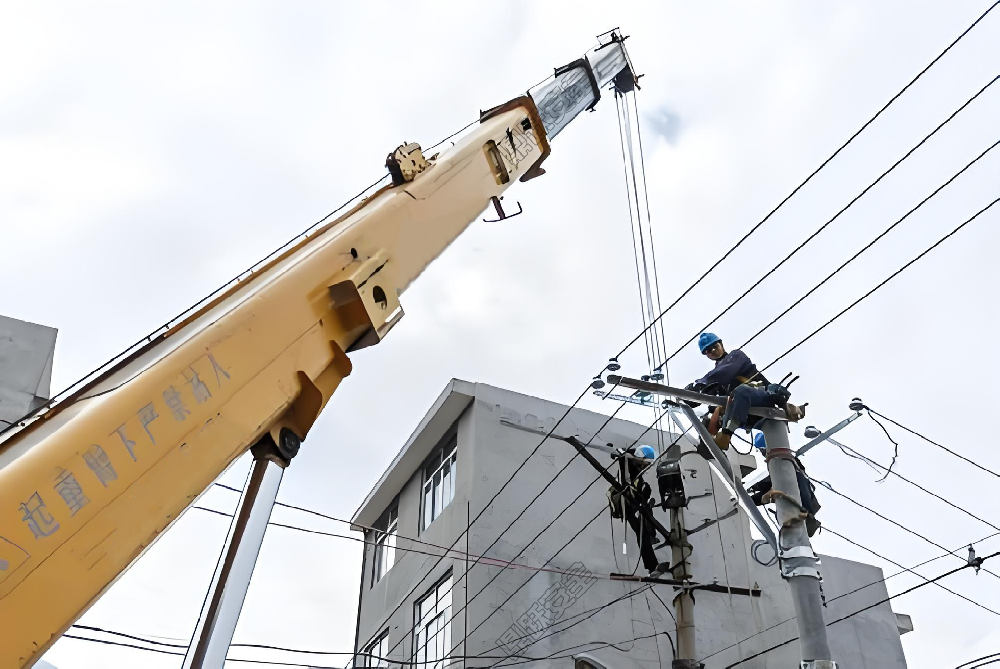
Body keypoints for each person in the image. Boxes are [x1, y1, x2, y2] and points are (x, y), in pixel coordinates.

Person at [686, 332, 803, 451]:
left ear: (721, 343)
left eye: (715, 347)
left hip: (762, 399)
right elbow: (708, 391)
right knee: (711, 414)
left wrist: (699, 383)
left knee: (741, 391)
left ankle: (725, 435)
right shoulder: (715, 378)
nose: (713, 351)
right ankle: (707, 446)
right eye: (708, 351)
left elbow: (725, 372)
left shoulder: (735, 356)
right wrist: (691, 397)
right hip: (744, 413)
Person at [608, 445, 670, 578]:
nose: (643, 467)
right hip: (627, 503)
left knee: (645, 517)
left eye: (646, 465)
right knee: (641, 533)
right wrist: (616, 453)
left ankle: (651, 535)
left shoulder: (633, 463)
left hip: (635, 501)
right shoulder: (626, 462)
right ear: (638, 459)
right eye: (642, 464)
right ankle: (652, 566)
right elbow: (619, 453)